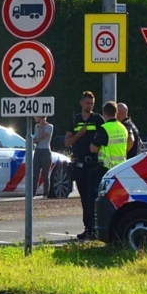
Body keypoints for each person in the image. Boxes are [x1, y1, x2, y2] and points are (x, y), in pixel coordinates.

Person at [64, 91, 105, 239]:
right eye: (87, 103)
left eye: (92, 104)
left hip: (94, 165)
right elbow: (67, 142)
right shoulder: (75, 120)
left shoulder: (98, 119)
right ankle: (87, 228)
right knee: (84, 199)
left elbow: (104, 138)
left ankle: (94, 229)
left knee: (92, 198)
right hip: (80, 165)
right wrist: (79, 134)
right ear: (81, 103)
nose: (89, 106)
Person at [91, 100, 130, 173]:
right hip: (121, 168)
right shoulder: (123, 128)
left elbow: (93, 149)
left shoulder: (104, 128)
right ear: (116, 112)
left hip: (107, 168)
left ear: (104, 113)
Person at [31, 115, 54, 198]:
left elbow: (42, 135)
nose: (35, 118)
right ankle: (32, 193)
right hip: (37, 151)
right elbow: (35, 138)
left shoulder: (50, 127)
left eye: (37, 117)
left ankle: (45, 193)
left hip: (45, 151)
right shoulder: (36, 126)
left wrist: (41, 126)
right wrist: (34, 140)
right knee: (35, 173)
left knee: (45, 174)